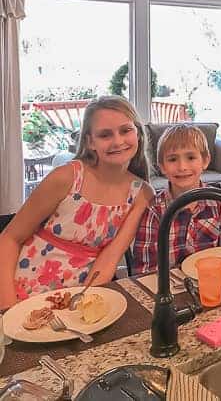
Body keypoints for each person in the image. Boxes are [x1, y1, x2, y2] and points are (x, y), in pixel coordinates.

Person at [0, 96, 154, 309]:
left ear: (137, 132)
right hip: (22, 288)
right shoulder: (67, 177)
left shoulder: (142, 194)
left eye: (125, 130)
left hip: (79, 295)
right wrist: (7, 308)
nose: (118, 141)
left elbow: (110, 256)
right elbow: (10, 238)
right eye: (105, 134)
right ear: (90, 142)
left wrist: (84, 302)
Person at [131, 124, 221, 275]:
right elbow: (144, 270)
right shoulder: (154, 210)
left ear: (205, 161)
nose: (182, 166)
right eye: (173, 159)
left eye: (191, 157)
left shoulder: (219, 204)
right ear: (162, 166)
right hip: (169, 290)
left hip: (211, 283)